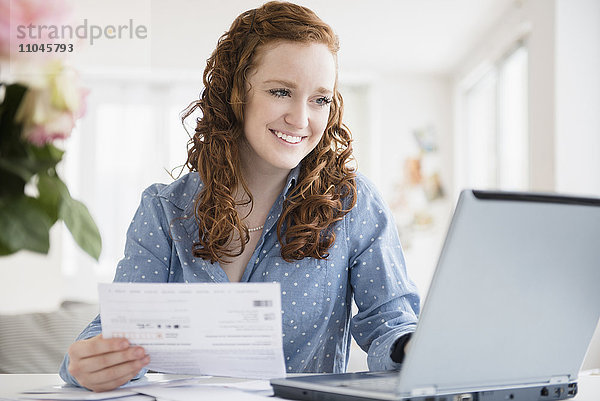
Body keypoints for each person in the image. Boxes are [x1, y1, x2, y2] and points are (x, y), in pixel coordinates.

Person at [59, 1, 420, 392]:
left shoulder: (352, 203)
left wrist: (414, 346)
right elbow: (116, 330)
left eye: (320, 99)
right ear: (236, 93)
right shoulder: (166, 210)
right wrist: (86, 362)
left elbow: (390, 323)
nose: (302, 119)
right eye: (281, 91)